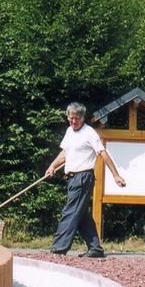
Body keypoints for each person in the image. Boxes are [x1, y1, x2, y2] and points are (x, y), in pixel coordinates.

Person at [45, 102, 126, 258]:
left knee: (70, 211)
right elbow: (64, 153)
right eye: (71, 118)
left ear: (82, 118)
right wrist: (52, 166)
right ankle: (95, 249)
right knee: (81, 214)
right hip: (71, 178)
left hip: (83, 177)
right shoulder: (69, 131)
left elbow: (103, 153)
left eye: (77, 118)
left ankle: (58, 249)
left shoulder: (89, 133)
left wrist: (116, 175)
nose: (73, 121)